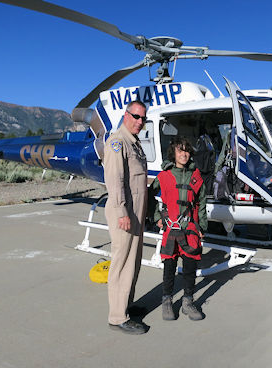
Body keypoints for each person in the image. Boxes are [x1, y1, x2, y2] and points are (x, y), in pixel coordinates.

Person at [149, 136, 208, 321]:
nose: (184, 154)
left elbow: (202, 202)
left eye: (187, 150)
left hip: (190, 227)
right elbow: (149, 196)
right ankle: (167, 301)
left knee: (190, 267)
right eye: (180, 150)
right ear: (173, 153)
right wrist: (157, 217)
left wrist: (202, 226)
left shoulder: (196, 177)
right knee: (169, 267)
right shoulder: (164, 176)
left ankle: (188, 302)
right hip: (170, 227)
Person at [103, 100, 148, 335]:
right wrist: (122, 213)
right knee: (121, 263)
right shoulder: (118, 143)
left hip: (136, 214)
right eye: (136, 116)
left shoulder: (135, 143)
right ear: (125, 115)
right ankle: (117, 316)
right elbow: (115, 181)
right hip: (125, 214)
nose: (140, 122)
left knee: (134, 260)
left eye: (143, 118)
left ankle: (126, 305)